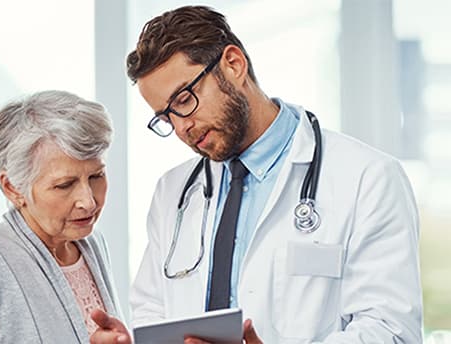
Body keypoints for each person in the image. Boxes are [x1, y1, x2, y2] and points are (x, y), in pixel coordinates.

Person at [89, 6, 423, 343]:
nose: (181, 127)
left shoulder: (368, 178)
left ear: (233, 65)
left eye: (185, 100)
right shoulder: (173, 192)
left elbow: (391, 331)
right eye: (166, 117)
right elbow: (152, 310)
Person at [0, 90, 126, 343]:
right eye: (64, 185)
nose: (88, 201)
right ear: (13, 188)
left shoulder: (91, 242)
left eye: (96, 176)